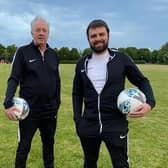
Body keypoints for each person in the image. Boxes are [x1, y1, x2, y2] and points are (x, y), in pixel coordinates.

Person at [72, 19, 155, 168]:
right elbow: (77, 93)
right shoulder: (82, 63)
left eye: (101, 34)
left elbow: (142, 81)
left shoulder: (121, 59)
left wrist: (149, 103)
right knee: (89, 163)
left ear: (108, 35)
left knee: (121, 164)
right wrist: (78, 120)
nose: (98, 38)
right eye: (93, 36)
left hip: (115, 124)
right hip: (89, 125)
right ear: (88, 39)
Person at [3, 16, 61, 168]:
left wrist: (57, 104)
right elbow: (14, 78)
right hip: (29, 111)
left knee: (49, 147)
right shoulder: (23, 52)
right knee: (24, 147)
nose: (41, 33)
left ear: (48, 33)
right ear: (32, 32)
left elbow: (57, 81)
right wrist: (8, 102)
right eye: (38, 30)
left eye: (44, 30)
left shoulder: (53, 55)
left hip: (49, 112)